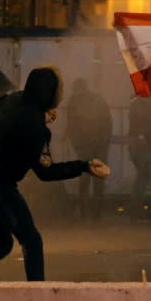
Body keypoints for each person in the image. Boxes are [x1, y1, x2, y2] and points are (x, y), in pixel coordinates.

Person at [0, 67, 109, 282]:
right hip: (0, 186)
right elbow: (47, 172)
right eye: (58, 89)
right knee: (31, 240)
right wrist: (85, 166)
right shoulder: (36, 128)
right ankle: (37, 291)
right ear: (50, 92)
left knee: (3, 244)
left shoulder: (15, 100)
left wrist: (38, 112)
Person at [66, 78, 112, 220]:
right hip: (100, 145)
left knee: (84, 179)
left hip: (84, 145)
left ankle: (84, 213)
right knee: (98, 180)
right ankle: (96, 214)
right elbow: (108, 121)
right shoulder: (98, 100)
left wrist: (76, 145)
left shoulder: (73, 102)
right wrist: (105, 142)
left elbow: (71, 126)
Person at [128, 95, 151, 219]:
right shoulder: (150, 102)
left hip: (140, 141)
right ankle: (136, 207)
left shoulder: (137, 102)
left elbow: (135, 120)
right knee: (144, 174)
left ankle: (136, 207)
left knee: (143, 174)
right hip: (143, 141)